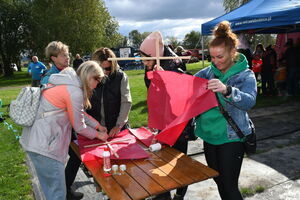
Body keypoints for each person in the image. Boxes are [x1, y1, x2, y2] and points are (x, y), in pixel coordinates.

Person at [20, 62, 108, 200]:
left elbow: (80, 113)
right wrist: (99, 135)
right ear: (90, 76)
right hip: (45, 146)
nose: (98, 84)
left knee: (51, 190)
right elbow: (79, 126)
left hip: (37, 142)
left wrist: (97, 126)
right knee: (57, 194)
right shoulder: (74, 91)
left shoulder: (69, 84)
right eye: (98, 80)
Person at [194, 21, 257, 200]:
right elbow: (185, 84)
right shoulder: (208, 72)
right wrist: (162, 73)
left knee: (229, 187)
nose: (216, 62)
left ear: (232, 53)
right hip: (209, 135)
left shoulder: (245, 74)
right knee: (219, 182)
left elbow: (249, 101)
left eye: (220, 57)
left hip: (231, 138)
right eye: (212, 57)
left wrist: (227, 90)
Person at [139, 31, 191, 200]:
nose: (143, 61)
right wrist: (151, 75)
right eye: (142, 58)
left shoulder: (174, 63)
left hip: (178, 124)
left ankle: (179, 193)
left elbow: (181, 93)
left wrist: (167, 78)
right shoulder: (151, 62)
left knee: (178, 162)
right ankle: (164, 193)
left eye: (146, 58)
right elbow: (150, 88)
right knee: (162, 159)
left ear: (154, 54)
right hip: (163, 121)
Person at [39, 41, 84, 199]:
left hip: (68, 125)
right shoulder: (48, 79)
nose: (67, 57)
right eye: (63, 55)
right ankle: (62, 192)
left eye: (67, 54)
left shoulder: (70, 73)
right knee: (62, 161)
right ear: (53, 58)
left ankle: (65, 190)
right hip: (55, 129)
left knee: (76, 155)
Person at [88, 47, 132, 137]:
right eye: (101, 69)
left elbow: (126, 102)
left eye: (108, 68)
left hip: (117, 128)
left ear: (113, 65)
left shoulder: (121, 77)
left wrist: (118, 125)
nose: (104, 72)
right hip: (94, 129)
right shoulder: (89, 76)